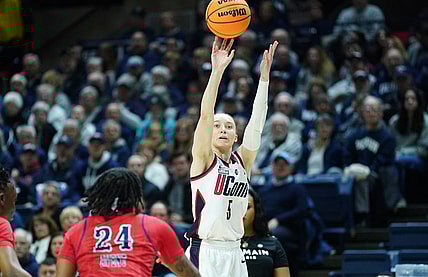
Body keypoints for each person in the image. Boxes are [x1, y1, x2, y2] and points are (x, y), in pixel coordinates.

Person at [186, 37, 278, 277]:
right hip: (204, 250)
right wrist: (217, 71)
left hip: (235, 251)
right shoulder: (203, 158)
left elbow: (257, 125)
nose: (223, 129)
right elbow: (206, 114)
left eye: (229, 126)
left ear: (236, 136)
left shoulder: (242, 161)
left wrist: (264, 80)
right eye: (218, 126)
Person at [56, 167, 200, 277]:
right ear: (135, 195)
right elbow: (188, 274)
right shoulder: (155, 226)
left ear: (98, 194)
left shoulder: (76, 231)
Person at [242, 187, 290, 277]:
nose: (241, 211)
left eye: (247, 207)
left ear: (256, 210)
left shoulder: (273, 243)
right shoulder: (219, 243)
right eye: (237, 207)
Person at [0, 168, 32, 277]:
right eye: (14, 201)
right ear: (2, 198)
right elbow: (10, 272)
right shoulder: (2, 224)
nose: (14, 207)